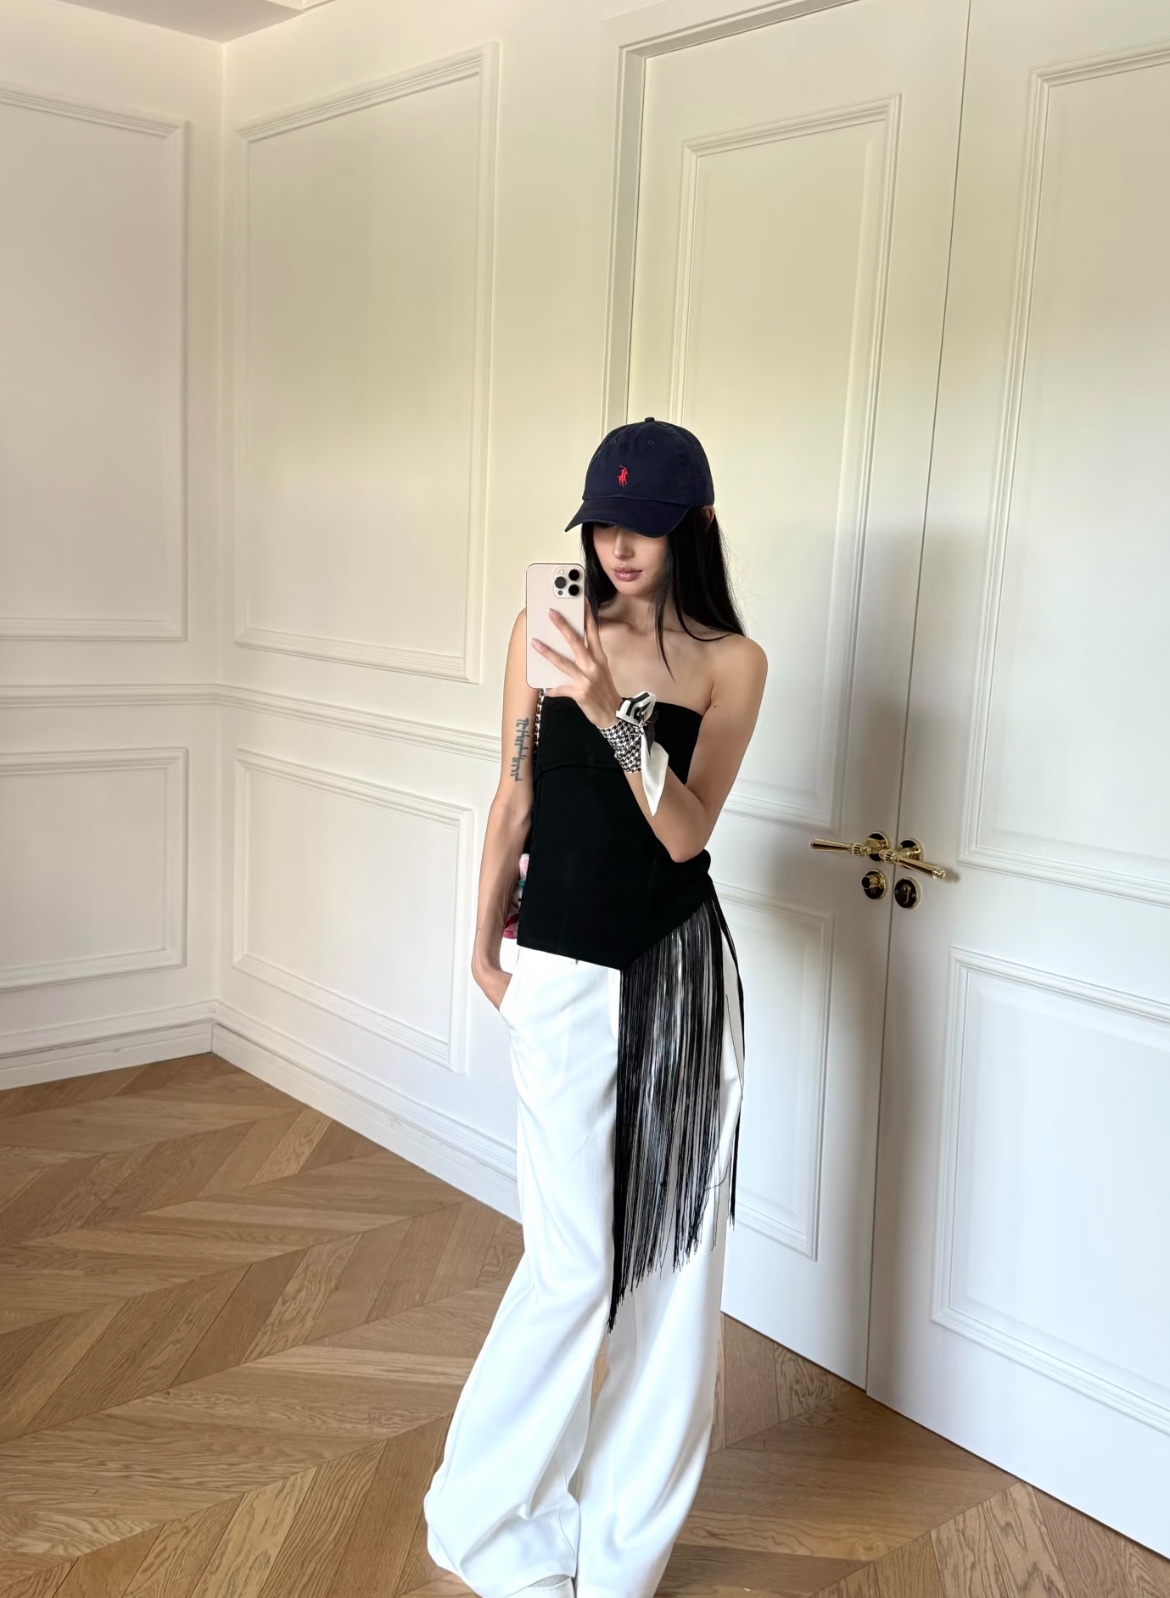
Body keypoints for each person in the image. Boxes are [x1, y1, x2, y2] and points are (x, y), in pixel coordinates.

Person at [423, 417, 767, 1598]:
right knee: (573, 1266)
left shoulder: (731, 663)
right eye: (605, 524)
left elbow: (685, 831)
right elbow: (514, 794)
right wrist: (482, 944)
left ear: (694, 526)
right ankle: (483, 1514)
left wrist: (617, 704)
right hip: (562, 973)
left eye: (646, 526)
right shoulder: (542, 630)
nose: (620, 547)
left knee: (673, 1268)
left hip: (679, 981)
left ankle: (619, 1554)